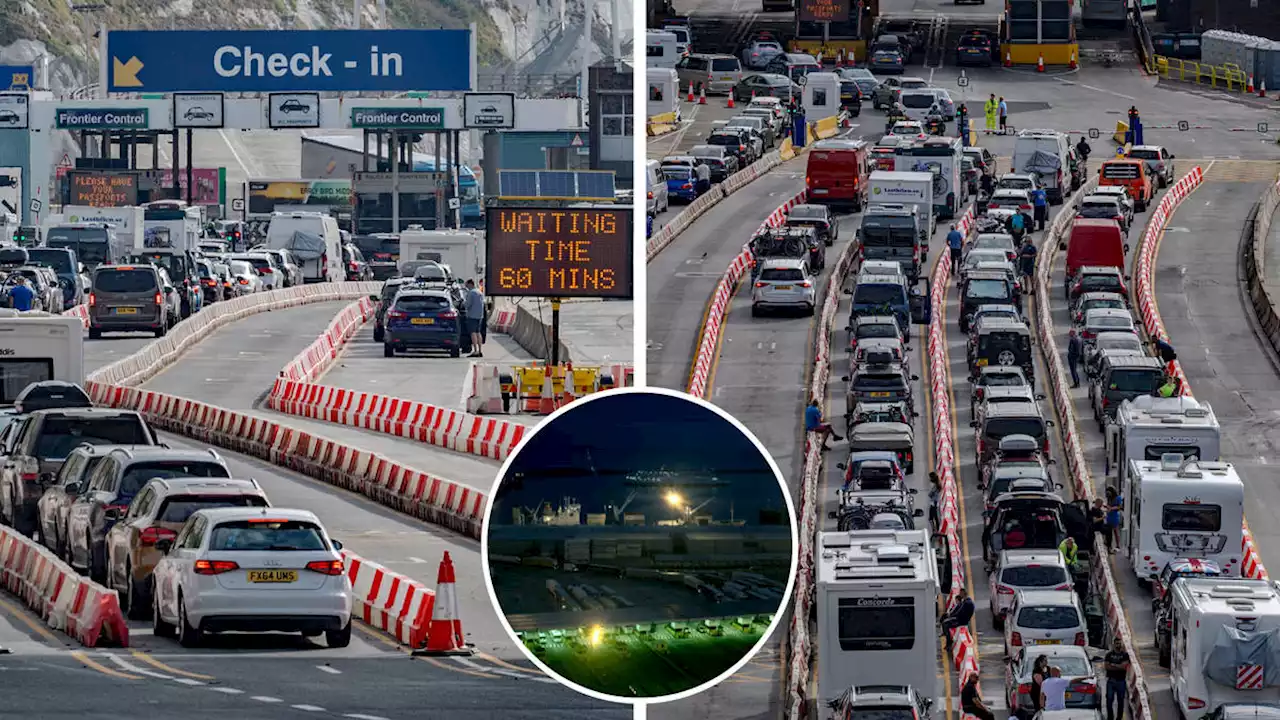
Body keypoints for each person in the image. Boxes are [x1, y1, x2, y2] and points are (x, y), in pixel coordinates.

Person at [1104, 637, 1132, 720]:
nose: (1118, 645)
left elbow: (1124, 667)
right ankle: (1110, 717)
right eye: (1116, 643)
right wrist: (1118, 666)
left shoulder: (1125, 655)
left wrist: (1113, 665)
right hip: (1111, 681)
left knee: (1120, 701)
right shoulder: (1108, 655)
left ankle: (1119, 718)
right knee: (1109, 701)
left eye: (1119, 643)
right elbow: (1106, 667)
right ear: (1114, 644)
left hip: (1121, 681)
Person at [463, 279, 486, 357]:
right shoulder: (480, 292)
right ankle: (480, 350)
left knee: (473, 333)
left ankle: (475, 351)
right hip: (480, 316)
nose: (466, 287)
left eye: (467, 285)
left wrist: (463, 303)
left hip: (472, 315)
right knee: (478, 332)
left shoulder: (471, 293)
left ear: (470, 284)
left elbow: (467, 305)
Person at [1106, 487, 1124, 552]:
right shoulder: (1109, 498)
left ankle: (1118, 545)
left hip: (1114, 516)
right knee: (1108, 531)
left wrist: (1112, 508)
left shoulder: (1118, 498)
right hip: (1109, 515)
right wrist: (1107, 507)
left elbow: (1120, 506)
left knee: (1115, 531)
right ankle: (1109, 544)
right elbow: (1108, 505)